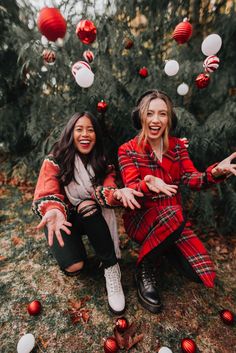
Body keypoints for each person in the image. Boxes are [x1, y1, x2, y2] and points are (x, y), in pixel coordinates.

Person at [118, 89, 236, 314]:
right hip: (143, 218)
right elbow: (131, 188)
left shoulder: (178, 147)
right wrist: (147, 183)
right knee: (174, 211)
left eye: (162, 114)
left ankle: (164, 243)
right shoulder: (128, 150)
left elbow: (193, 179)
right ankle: (145, 266)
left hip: (174, 219)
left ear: (169, 119)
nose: (156, 120)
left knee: (203, 273)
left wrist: (215, 173)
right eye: (150, 113)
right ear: (141, 116)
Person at [32, 111, 143, 315]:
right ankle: (71, 248)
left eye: (90, 130)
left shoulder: (101, 162)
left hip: (89, 215)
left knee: (87, 205)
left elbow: (108, 191)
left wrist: (118, 193)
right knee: (75, 266)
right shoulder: (55, 160)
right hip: (60, 220)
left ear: (96, 135)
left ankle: (111, 269)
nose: (85, 134)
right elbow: (47, 189)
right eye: (79, 129)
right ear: (70, 133)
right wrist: (54, 209)